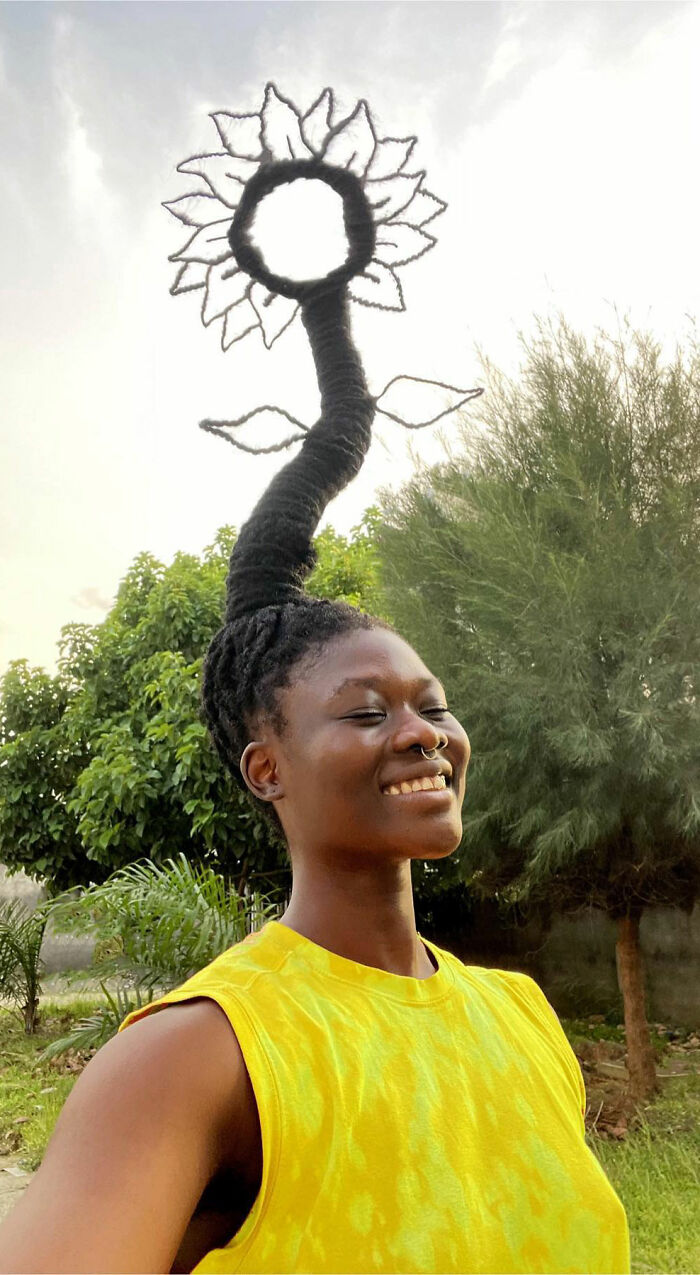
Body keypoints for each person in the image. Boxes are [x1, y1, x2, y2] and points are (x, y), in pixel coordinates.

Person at [0, 132, 630, 1274]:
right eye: (365, 712)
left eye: (430, 703)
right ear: (266, 768)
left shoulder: (525, 1017)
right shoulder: (197, 1057)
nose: (423, 735)